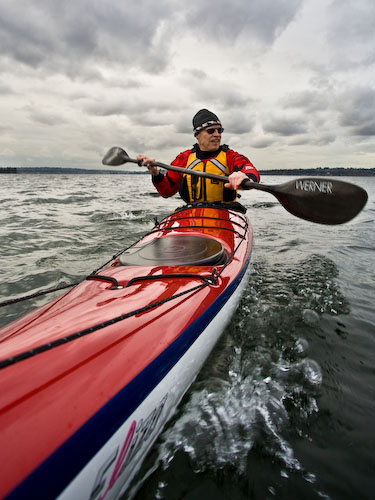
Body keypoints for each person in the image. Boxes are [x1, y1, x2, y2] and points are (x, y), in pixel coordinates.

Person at [137, 109, 260, 205]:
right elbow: (166, 191)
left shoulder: (230, 156)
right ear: (197, 135)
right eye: (211, 131)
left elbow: (249, 169)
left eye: (219, 130)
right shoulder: (184, 158)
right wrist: (155, 174)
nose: (217, 135)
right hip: (193, 212)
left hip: (225, 212)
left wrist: (245, 177)